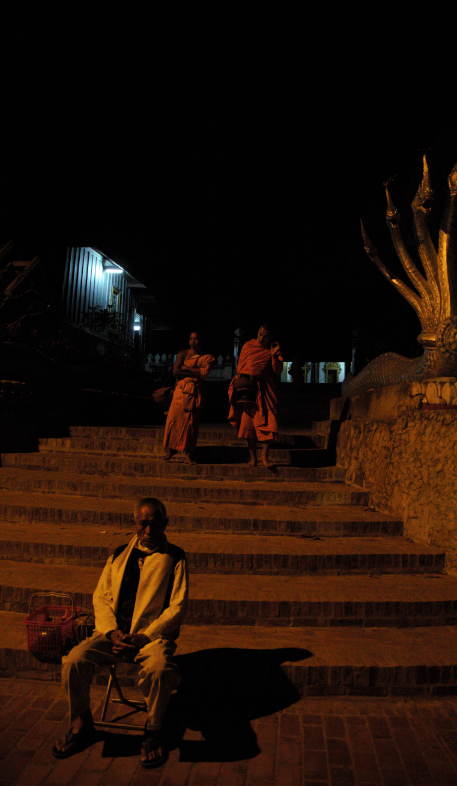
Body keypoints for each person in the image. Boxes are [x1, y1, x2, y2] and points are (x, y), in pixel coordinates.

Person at [52, 497, 188, 769]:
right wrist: (112, 632)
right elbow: (101, 597)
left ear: (166, 524)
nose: (149, 531)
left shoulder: (175, 557)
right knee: (74, 660)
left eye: (155, 524)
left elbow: (178, 606)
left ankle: (154, 727)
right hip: (111, 636)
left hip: (150, 638)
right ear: (134, 524)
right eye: (143, 524)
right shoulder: (118, 554)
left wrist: (145, 636)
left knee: (160, 668)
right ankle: (81, 723)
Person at [228, 323, 282, 467]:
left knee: (268, 424)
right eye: (260, 334)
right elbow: (240, 366)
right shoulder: (248, 346)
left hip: (265, 390)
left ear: (271, 337)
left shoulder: (273, 349)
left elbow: (277, 371)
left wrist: (274, 355)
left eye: (265, 336)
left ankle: (265, 456)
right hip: (248, 391)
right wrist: (243, 383)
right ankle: (253, 458)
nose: (262, 338)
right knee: (248, 426)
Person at [163, 331, 215, 464]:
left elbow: (204, 374)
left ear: (201, 341)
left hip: (194, 392)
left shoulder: (206, 357)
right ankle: (172, 449)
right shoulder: (183, 354)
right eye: (191, 339)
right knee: (173, 419)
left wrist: (187, 368)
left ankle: (190, 453)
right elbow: (176, 371)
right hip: (180, 391)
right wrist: (195, 371)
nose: (193, 342)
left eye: (196, 339)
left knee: (191, 424)